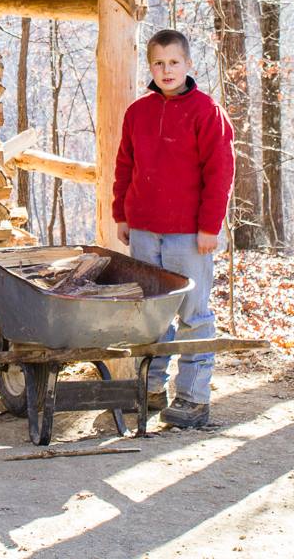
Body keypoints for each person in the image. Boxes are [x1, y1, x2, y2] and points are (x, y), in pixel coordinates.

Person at [112, 28, 236, 428]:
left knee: (193, 315)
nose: (167, 70)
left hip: (188, 234)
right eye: (159, 63)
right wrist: (122, 214)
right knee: (152, 315)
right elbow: (125, 166)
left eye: (174, 62)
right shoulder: (138, 113)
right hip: (144, 231)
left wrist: (209, 227)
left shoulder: (207, 112)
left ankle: (193, 398)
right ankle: (150, 388)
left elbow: (220, 174)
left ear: (188, 64)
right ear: (150, 67)